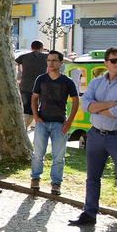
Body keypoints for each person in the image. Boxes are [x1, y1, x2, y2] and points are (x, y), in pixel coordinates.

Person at [69, 47, 117, 232]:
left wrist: (98, 107)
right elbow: (86, 105)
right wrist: (112, 103)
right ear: (106, 62)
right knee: (92, 178)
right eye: (114, 60)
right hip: (96, 136)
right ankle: (89, 213)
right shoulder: (96, 82)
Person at [30, 50, 80, 195]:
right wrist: (35, 116)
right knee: (38, 153)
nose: (51, 63)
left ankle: (56, 183)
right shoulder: (41, 79)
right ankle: (35, 178)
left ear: (61, 63)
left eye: (54, 60)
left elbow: (75, 101)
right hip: (42, 122)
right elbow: (34, 97)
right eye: (49, 60)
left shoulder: (67, 81)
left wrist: (69, 121)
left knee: (58, 156)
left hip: (60, 123)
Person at [16, 40, 49, 129]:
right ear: (42, 48)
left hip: (25, 87)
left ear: (31, 48)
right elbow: (64, 59)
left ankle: (24, 129)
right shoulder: (46, 56)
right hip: (41, 88)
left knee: (26, 110)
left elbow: (13, 63)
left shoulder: (24, 57)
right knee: (40, 109)